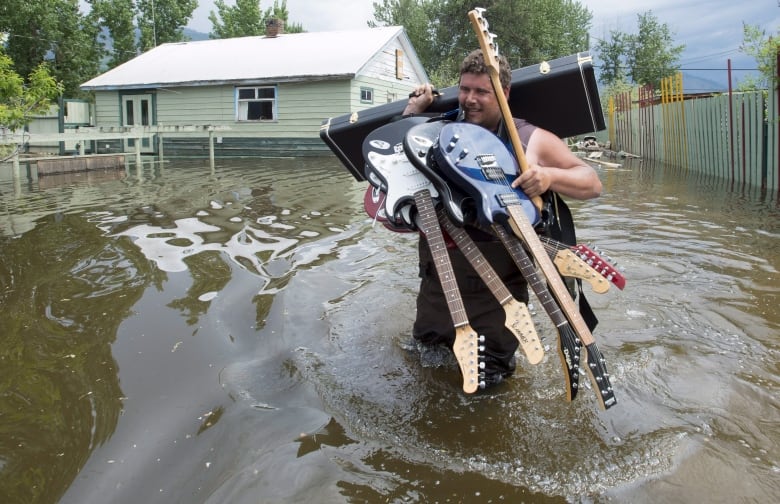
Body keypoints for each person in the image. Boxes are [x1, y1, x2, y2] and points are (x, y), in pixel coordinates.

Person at [402, 49, 602, 388]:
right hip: (439, 280)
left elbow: (592, 182)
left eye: (482, 91)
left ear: (504, 93)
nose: (470, 99)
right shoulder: (442, 129)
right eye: (465, 89)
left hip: (497, 291)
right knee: (424, 368)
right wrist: (413, 112)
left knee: (490, 388)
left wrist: (548, 176)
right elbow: (399, 164)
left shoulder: (528, 139)